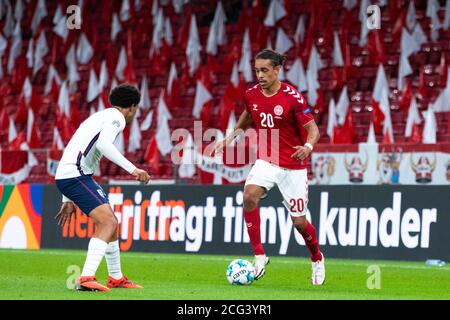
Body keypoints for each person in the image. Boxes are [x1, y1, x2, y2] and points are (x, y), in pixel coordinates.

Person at [212, 49, 325, 285]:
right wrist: (228, 138)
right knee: (249, 195)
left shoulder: (293, 97)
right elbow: (247, 115)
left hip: (294, 166)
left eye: (265, 70)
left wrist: (307, 146)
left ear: (277, 70)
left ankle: (316, 258)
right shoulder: (251, 94)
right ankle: (259, 255)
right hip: (267, 160)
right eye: (257, 70)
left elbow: (314, 129)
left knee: (299, 223)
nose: (260, 75)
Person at [55, 84, 151, 292]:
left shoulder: (99, 116)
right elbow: (104, 145)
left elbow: (72, 148)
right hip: (75, 175)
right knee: (108, 222)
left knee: (111, 223)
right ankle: (86, 277)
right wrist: (133, 169)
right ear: (132, 107)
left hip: (72, 174)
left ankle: (116, 277)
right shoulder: (117, 119)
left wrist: (66, 199)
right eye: (136, 109)